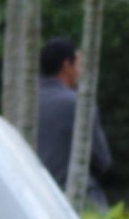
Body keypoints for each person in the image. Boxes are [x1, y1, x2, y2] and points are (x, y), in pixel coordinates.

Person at [34, 37, 110, 208]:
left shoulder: (23, 101)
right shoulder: (77, 103)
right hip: (73, 194)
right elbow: (102, 159)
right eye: (79, 64)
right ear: (67, 65)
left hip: (33, 192)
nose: (80, 71)